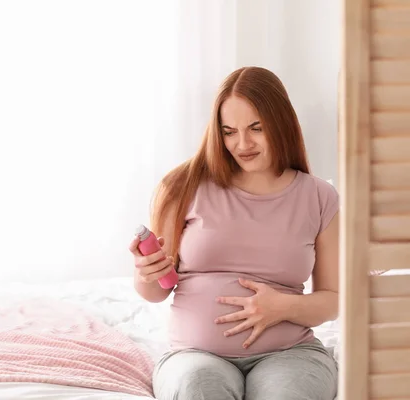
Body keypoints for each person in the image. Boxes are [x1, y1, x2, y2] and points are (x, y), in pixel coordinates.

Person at [128, 66, 339, 400]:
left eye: (256, 128)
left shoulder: (318, 197)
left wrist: (281, 308)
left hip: (289, 355)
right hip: (195, 355)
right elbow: (155, 291)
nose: (242, 144)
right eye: (229, 132)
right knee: (199, 389)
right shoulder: (182, 186)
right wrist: (146, 274)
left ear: (280, 123)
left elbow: (333, 301)